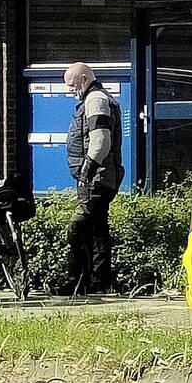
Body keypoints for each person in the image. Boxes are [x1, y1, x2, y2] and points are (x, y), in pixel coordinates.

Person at [64, 62, 124, 295]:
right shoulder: (95, 98)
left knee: (77, 229)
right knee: (97, 230)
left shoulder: (96, 100)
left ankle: (78, 281)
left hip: (97, 179)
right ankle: (98, 282)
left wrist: (86, 174)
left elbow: (100, 141)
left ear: (85, 79)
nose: (71, 91)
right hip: (101, 177)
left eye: (72, 85)